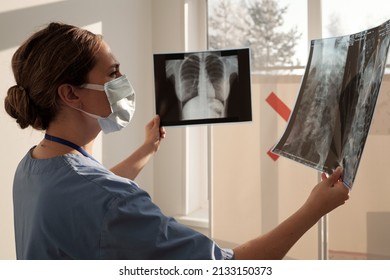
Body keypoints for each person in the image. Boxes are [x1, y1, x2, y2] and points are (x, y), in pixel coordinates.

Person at [4, 22, 349, 260]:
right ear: (70, 94)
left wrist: (147, 149)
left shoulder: (33, 166)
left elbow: (90, 199)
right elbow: (229, 269)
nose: (123, 79)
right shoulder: (106, 200)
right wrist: (314, 209)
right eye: (112, 73)